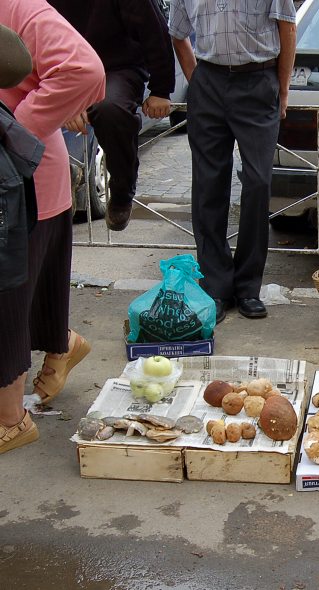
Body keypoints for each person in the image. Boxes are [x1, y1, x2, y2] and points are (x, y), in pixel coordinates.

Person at [0, 0, 105, 454]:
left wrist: (12, 130)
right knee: (28, 297)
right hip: (27, 177)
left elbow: (84, 70)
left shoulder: (19, 5)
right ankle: (62, 344)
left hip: (21, 183)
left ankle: (11, 418)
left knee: (9, 304)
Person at [167, 0, 297, 323]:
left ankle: (248, 287)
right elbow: (177, 33)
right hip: (209, 80)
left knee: (258, 181)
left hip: (258, 80)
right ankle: (215, 286)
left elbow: (287, 28)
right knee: (209, 185)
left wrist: (282, 88)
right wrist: (196, 80)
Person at [48, 0, 176, 231]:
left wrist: (161, 90)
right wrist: (64, 101)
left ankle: (121, 189)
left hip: (117, 68)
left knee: (109, 108)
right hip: (64, 68)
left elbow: (154, 31)